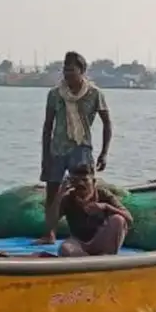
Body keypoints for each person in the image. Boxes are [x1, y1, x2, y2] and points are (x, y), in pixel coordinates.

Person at [37, 51, 112, 244]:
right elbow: (48, 126)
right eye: (65, 69)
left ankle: (90, 233)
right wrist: (45, 156)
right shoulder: (55, 94)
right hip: (57, 149)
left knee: (85, 191)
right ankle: (49, 233)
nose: (68, 73)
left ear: (82, 71)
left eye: (72, 69)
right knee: (53, 192)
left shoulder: (95, 94)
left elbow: (107, 123)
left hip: (82, 148)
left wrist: (104, 153)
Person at [44, 163, 132, 257]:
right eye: (76, 181)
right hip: (79, 243)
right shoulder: (68, 199)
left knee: (118, 220)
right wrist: (60, 195)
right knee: (65, 249)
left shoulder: (103, 195)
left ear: (93, 182)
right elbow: (50, 222)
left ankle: (106, 256)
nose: (81, 184)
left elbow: (129, 219)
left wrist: (106, 207)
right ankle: (87, 260)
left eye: (85, 180)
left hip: (102, 240)